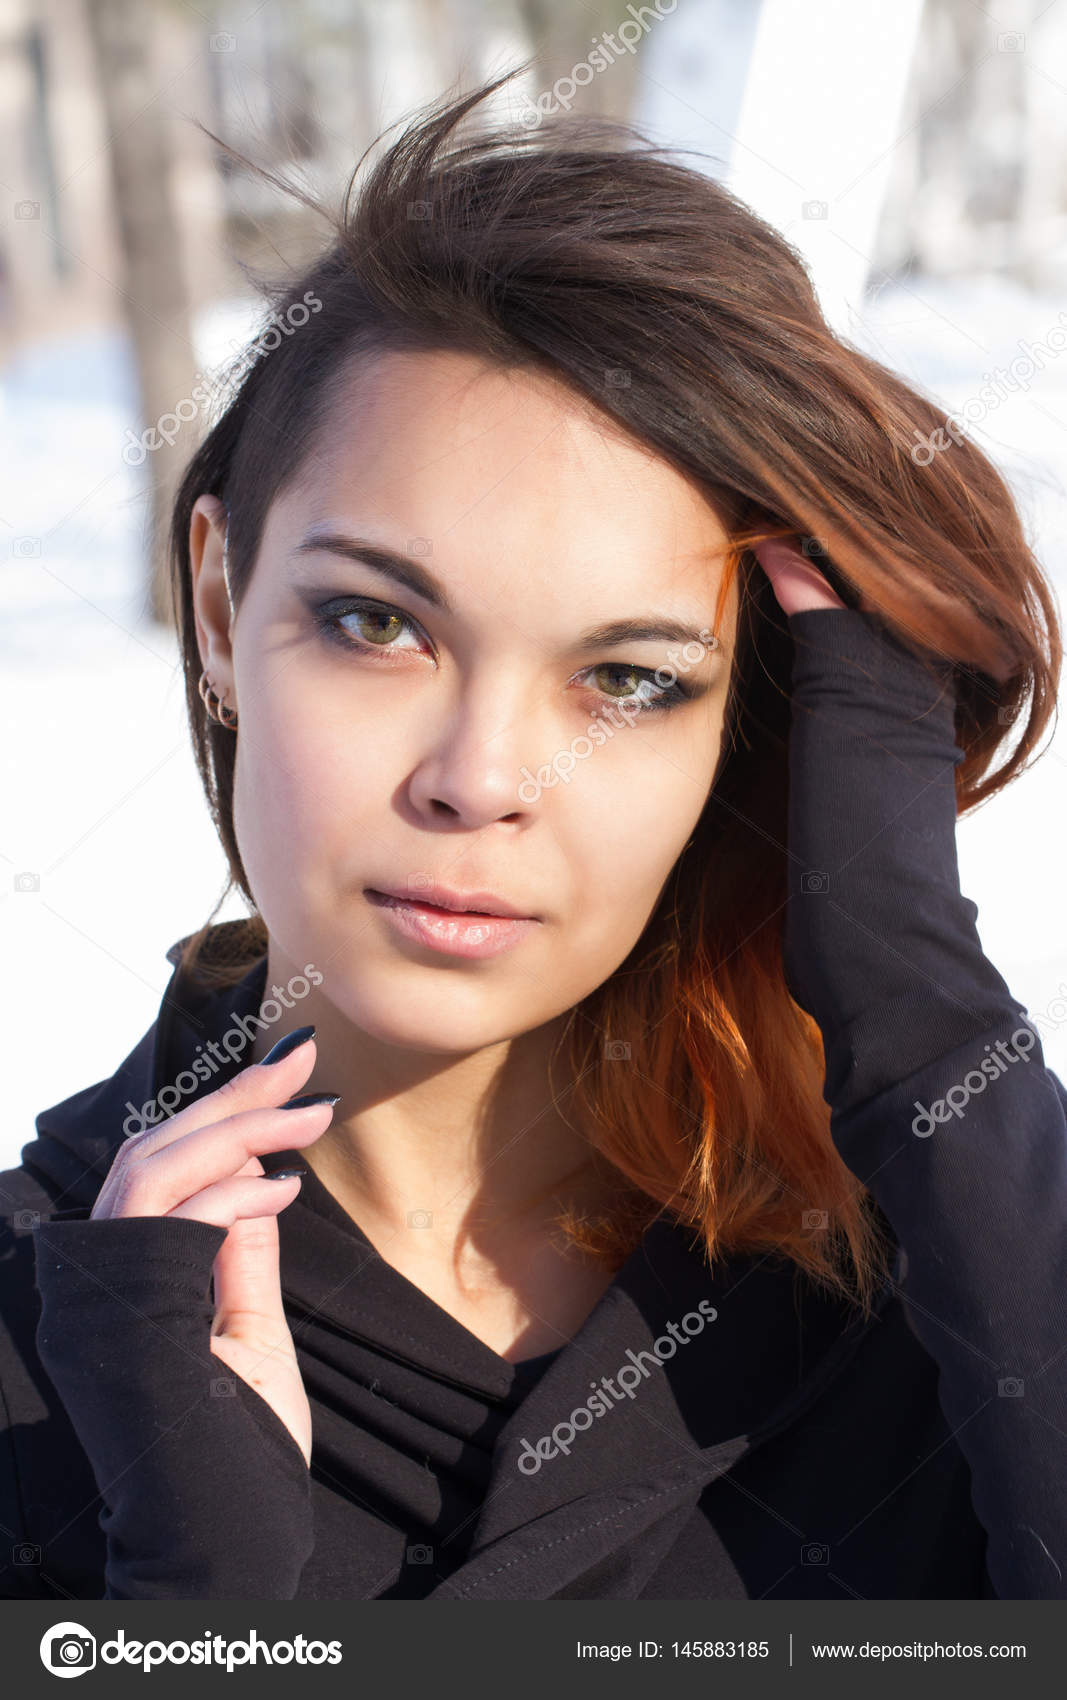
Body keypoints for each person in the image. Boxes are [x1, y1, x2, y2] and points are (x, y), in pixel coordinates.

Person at [2, 66, 1064, 1603]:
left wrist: (908, 981)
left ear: (761, 723)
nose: (480, 777)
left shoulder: (948, 1289)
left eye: (628, 680)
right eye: (377, 622)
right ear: (225, 608)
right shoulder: (44, 1346)